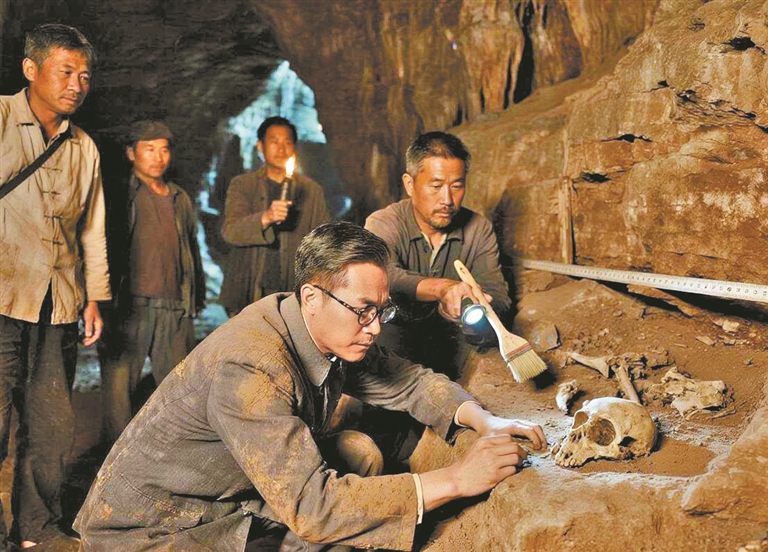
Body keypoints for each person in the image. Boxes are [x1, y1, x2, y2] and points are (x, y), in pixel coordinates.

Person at [73, 221, 545, 551]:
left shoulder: (319, 326)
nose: (374, 327)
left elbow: (409, 382)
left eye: (381, 311)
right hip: (151, 531)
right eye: (364, 310)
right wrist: (457, 479)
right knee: (326, 499)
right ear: (313, 297)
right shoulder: (252, 365)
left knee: (357, 452)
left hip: (221, 499)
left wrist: (485, 420)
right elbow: (313, 507)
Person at [0, 24, 110, 550]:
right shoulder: (1, 119)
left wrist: (94, 297)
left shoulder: (84, 147)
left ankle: (37, 529)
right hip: (1, 299)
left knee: (51, 427)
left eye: (84, 76)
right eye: (66, 72)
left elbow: (92, 229)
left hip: (57, 305)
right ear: (31, 69)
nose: (76, 85)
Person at [365, 131, 512, 378]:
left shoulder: (478, 229)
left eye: (457, 186)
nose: (447, 200)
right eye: (436, 186)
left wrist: (474, 309)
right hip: (391, 346)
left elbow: (498, 295)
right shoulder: (383, 223)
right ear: (409, 184)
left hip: (450, 344)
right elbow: (382, 275)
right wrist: (443, 289)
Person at [99, 120, 205, 444]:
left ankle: (174, 458)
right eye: (149, 149)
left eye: (164, 149)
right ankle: (115, 463)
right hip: (129, 307)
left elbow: (191, 249)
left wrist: (193, 297)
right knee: (118, 395)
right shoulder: (118, 193)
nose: (159, 157)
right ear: (131, 153)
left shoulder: (179, 198)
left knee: (179, 391)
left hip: (173, 307)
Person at [220, 116, 329, 316]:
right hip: (248, 291)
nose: (281, 149)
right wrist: (265, 218)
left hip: (291, 294)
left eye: (287, 142)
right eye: (274, 142)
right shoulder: (243, 185)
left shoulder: (311, 191)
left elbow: (322, 245)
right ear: (260, 146)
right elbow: (231, 231)